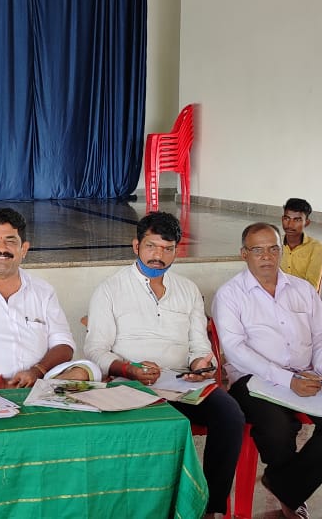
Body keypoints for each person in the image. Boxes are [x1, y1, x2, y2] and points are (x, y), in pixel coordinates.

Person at [84, 212, 243, 518]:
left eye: (167, 249)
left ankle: (210, 508)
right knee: (158, 425)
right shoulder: (110, 289)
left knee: (230, 415)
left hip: (182, 383)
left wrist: (201, 364)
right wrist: (128, 369)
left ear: (176, 251)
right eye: (151, 246)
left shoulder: (188, 289)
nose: (159, 256)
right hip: (131, 385)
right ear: (136, 246)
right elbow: (95, 350)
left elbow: (199, 344)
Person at [212, 223, 322, 519]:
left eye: (273, 248)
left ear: (281, 251)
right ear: (244, 254)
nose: (267, 256)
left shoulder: (303, 289)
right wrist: (288, 380)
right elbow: (235, 350)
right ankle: (293, 491)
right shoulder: (230, 294)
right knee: (277, 428)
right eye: (258, 250)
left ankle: (285, 484)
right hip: (254, 381)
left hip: (308, 375)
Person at [0, 208, 100, 389]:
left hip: (37, 383)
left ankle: (38, 394)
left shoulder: (43, 291)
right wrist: (3, 386)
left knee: (87, 370)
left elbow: (64, 343)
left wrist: (37, 371)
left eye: (10, 241)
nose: (2, 248)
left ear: (24, 249)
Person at [279, 198, 322, 290]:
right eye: (287, 218)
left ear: (306, 223)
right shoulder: (274, 243)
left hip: (302, 297)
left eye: (297, 220)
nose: (290, 225)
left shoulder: (315, 247)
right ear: (282, 219)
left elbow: (312, 286)